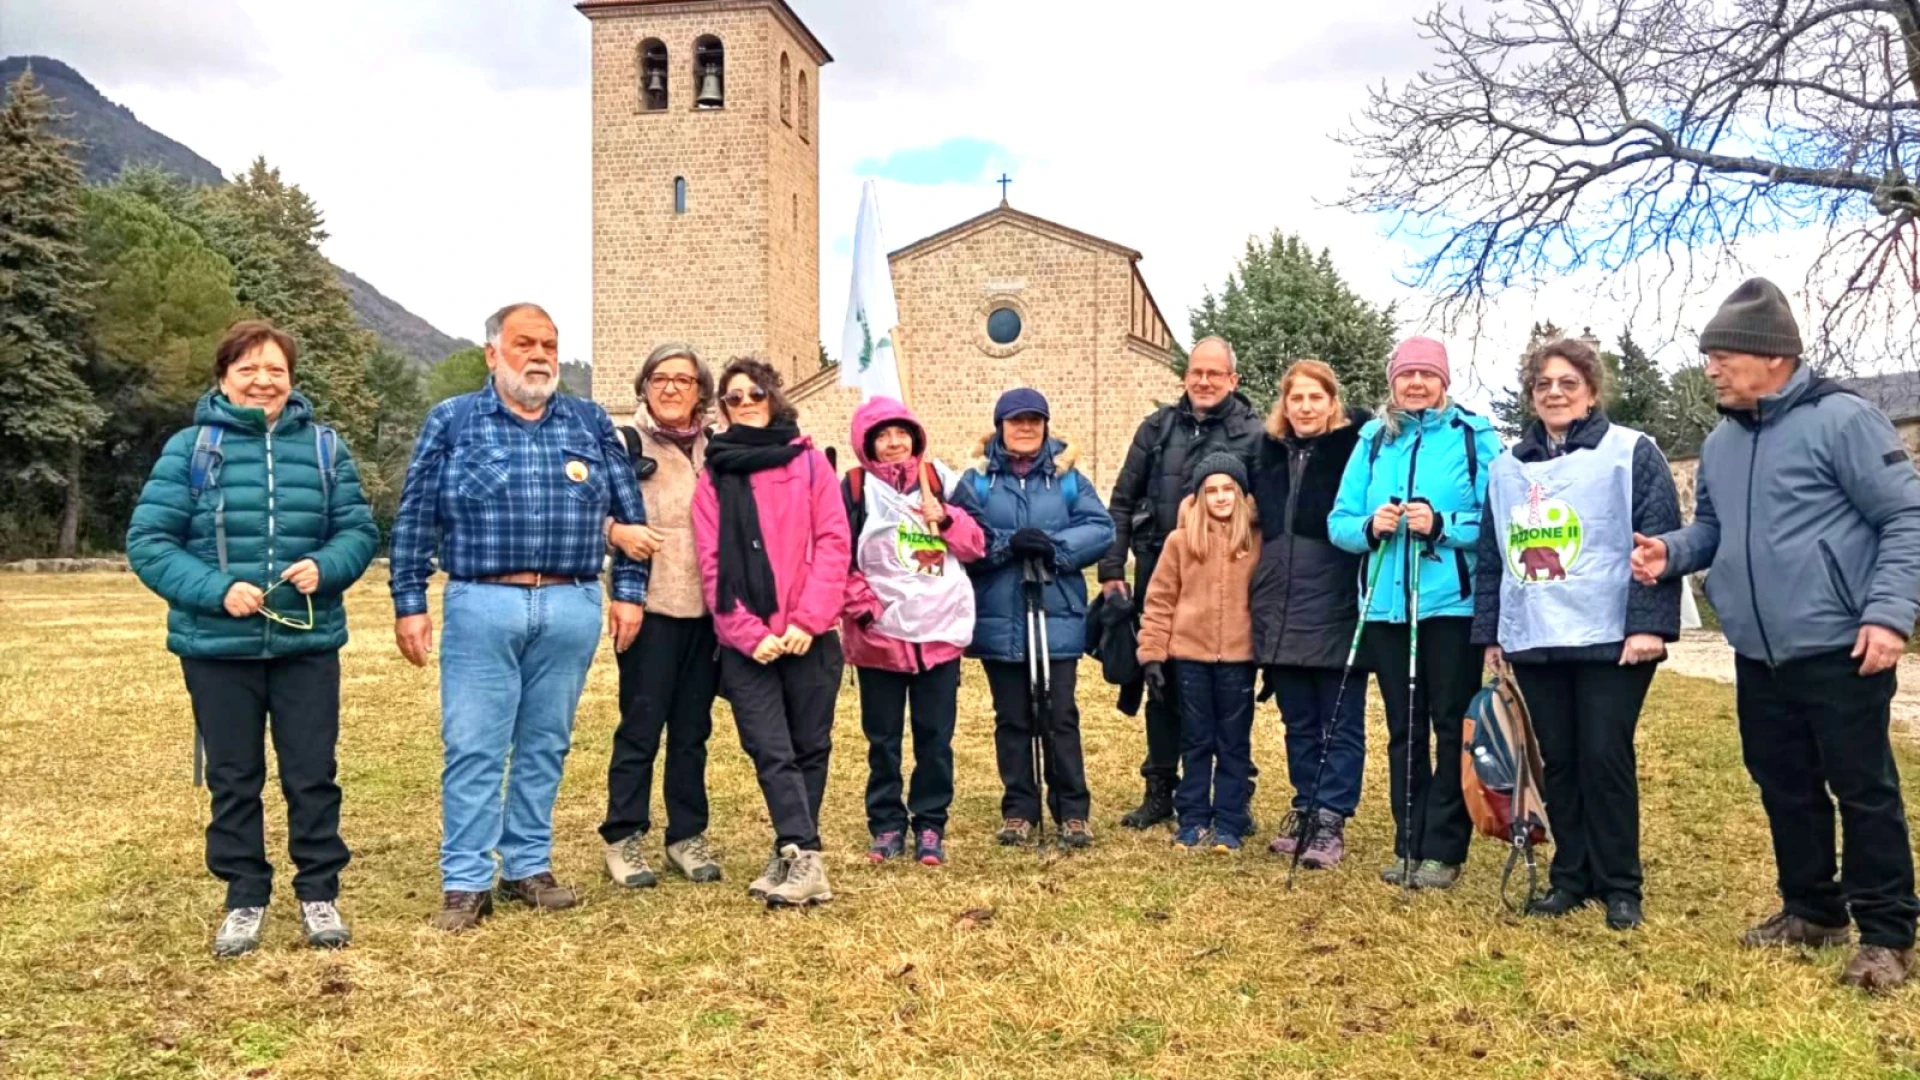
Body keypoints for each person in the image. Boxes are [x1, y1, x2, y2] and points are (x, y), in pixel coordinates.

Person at [1632, 278, 1920, 991]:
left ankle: (1887, 935)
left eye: (1723, 355)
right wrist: (1673, 552)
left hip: (1841, 646)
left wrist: (1887, 615)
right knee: (1783, 783)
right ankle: (1812, 910)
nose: (1710, 369)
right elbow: (1716, 531)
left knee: (1863, 788)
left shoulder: (1844, 421)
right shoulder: (1723, 442)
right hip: (1756, 651)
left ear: (1774, 357)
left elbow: (1905, 517)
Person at [389, 303, 648, 932]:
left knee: (545, 744)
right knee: (474, 747)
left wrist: (630, 591)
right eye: (525, 343)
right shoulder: (452, 422)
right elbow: (416, 514)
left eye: (550, 346)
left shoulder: (589, 422)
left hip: (571, 602)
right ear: (492, 353)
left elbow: (629, 510)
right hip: (483, 601)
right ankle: (465, 879)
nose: (540, 356)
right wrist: (410, 601)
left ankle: (528, 864)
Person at [127, 320, 379, 957]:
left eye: (276, 370)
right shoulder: (189, 449)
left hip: (306, 644)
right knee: (234, 778)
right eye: (249, 369)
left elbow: (358, 532)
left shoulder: (326, 448)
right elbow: (149, 543)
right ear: (223, 378)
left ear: (291, 380)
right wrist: (217, 590)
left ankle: (318, 891)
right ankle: (244, 896)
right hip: (217, 649)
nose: (264, 381)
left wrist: (328, 566)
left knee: (312, 774)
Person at [1472, 337, 1681, 931]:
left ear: (1590, 391)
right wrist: (1492, 632)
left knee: (1603, 755)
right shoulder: (1507, 469)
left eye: (1568, 383)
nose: (1555, 393)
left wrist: (1648, 624)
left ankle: (1621, 884)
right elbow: (1494, 557)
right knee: (1558, 760)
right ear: (1531, 396)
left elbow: (1657, 538)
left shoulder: (1631, 452)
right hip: (1536, 636)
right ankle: (1573, 875)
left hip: (1612, 636)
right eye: (1543, 384)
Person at [1329, 336, 1501, 890]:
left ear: (1445, 382)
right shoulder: (1372, 442)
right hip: (1384, 607)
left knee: (1451, 725)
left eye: (1428, 375)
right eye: (1407, 375)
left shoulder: (1476, 438)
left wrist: (1443, 524)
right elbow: (1338, 521)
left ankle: (1443, 850)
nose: (1417, 384)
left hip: (1449, 608)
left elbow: (1498, 524)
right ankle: (1408, 843)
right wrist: (1368, 527)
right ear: (1392, 383)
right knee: (1404, 729)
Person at [693, 357, 850, 907]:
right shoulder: (715, 475)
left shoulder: (810, 464)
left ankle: (792, 850)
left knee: (811, 745)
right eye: (733, 398)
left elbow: (833, 542)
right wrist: (745, 630)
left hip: (810, 635)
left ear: (773, 398)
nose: (745, 404)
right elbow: (711, 560)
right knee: (768, 747)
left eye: (754, 394)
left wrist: (809, 619)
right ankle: (803, 852)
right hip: (749, 640)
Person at [1098, 336, 1263, 830]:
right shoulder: (1156, 429)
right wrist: (1111, 571)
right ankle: (1161, 788)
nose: (1205, 381)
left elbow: (1266, 513)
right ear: (1186, 377)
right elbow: (1122, 502)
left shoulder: (1253, 436)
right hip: (1160, 570)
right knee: (1163, 686)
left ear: (1233, 380)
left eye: (1215, 374)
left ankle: (1237, 795)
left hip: (1231, 583)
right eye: (1197, 372)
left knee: (1231, 696)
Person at [949, 388, 1115, 849]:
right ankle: (1019, 808)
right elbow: (965, 533)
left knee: (1059, 714)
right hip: (1001, 613)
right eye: (1016, 420)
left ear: (1045, 425)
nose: (1026, 428)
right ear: (999, 425)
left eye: (1034, 420)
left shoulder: (1067, 479)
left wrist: (1055, 547)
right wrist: (1006, 544)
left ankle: (1073, 810)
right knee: (1012, 717)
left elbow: (1100, 527)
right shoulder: (977, 480)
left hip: (1055, 610)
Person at [841, 397, 986, 866]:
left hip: (936, 637)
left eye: (901, 433)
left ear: (915, 437)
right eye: (882, 436)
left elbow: (976, 545)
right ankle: (885, 824)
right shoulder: (855, 489)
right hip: (879, 637)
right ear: (868, 445)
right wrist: (863, 606)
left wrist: (945, 517)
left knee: (934, 737)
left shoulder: (941, 482)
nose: (893, 442)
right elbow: (837, 552)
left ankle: (929, 823)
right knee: (882, 739)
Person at [599, 344, 724, 888]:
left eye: (684, 380)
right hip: (650, 608)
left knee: (694, 729)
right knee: (641, 727)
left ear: (702, 391)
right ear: (643, 386)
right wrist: (614, 532)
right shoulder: (622, 443)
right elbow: (585, 507)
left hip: (709, 613)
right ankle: (624, 837)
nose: (671, 388)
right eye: (659, 378)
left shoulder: (719, 449)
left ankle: (685, 835)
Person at [1250, 360, 1372, 869]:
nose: (1305, 408)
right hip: (1280, 601)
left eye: (1315, 398)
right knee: (1298, 720)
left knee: (1338, 720)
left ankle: (1330, 817)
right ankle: (1305, 805)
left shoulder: (1352, 451)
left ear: (1331, 403)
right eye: (1296, 398)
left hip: (1335, 599)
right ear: (1285, 403)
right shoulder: (1266, 454)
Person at [1137, 454, 1262, 852]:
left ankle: (1230, 818)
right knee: (1195, 740)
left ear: (1241, 496)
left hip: (1239, 660)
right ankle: (1191, 816)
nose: (1221, 498)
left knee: (1233, 742)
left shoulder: (1255, 541)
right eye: (1212, 491)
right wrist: (1153, 654)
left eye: (1229, 490)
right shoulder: (1180, 542)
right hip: (1190, 657)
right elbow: (1160, 599)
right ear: (1199, 496)